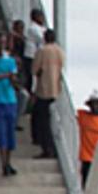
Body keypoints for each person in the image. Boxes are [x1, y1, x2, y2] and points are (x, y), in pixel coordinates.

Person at [0, 34, 21, 178]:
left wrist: (14, 81)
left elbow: (13, 79)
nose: (1, 45)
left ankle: (8, 162)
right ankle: (3, 164)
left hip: (10, 100)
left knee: (10, 134)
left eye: (3, 42)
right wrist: (6, 75)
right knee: (1, 133)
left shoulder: (10, 60)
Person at [31, 28, 65, 159]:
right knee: (49, 120)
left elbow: (34, 69)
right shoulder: (59, 51)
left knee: (42, 120)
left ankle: (46, 148)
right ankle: (51, 148)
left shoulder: (42, 51)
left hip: (44, 89)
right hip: (56, 89)